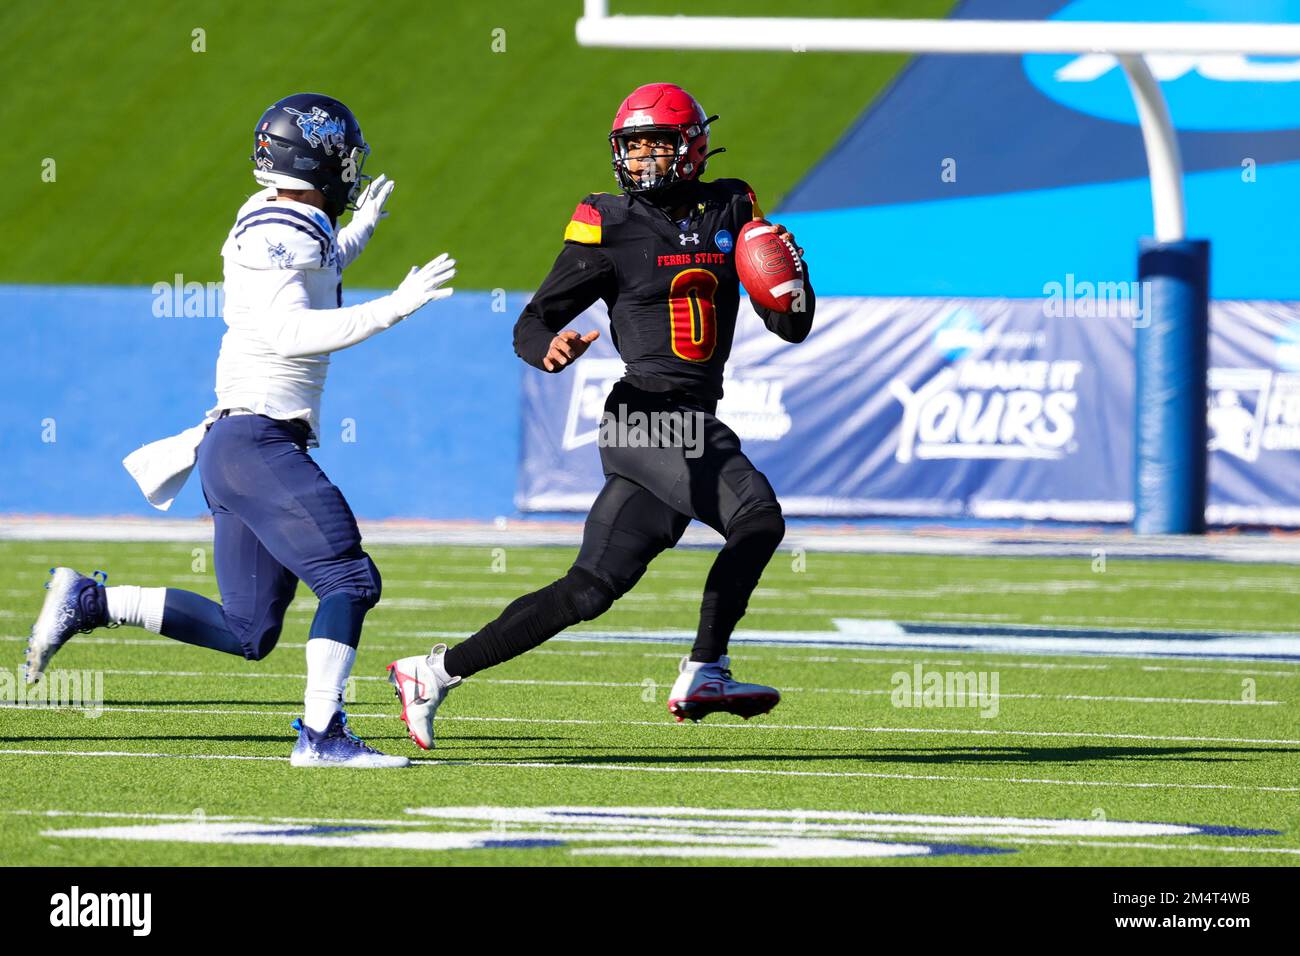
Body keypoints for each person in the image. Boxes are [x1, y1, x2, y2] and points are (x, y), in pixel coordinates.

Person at [26, 92, 457, 768]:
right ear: (313, 159)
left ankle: (90, 601)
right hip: (256, 440)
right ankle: (322, 735)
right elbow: (290, 331)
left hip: (239, 444)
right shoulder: (276, 228)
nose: (350, 169)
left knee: (248, 628)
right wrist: (394, 308)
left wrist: (361, 234)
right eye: (342, 157)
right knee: (350, 577)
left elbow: (311, 278)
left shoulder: (287, 218)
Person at [388, 82, 814, 750]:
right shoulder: (607, 223)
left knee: (590, 588)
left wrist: (792, 284)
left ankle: (432, 672)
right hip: (648, 417)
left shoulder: (733, 202)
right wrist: (547, 349)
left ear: (693, 146)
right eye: (633, 146)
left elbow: (789, 326)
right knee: (757, 517)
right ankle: (706, 669)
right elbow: (534, 321)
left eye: (658, 145)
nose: (642, 160)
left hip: (682, 422)